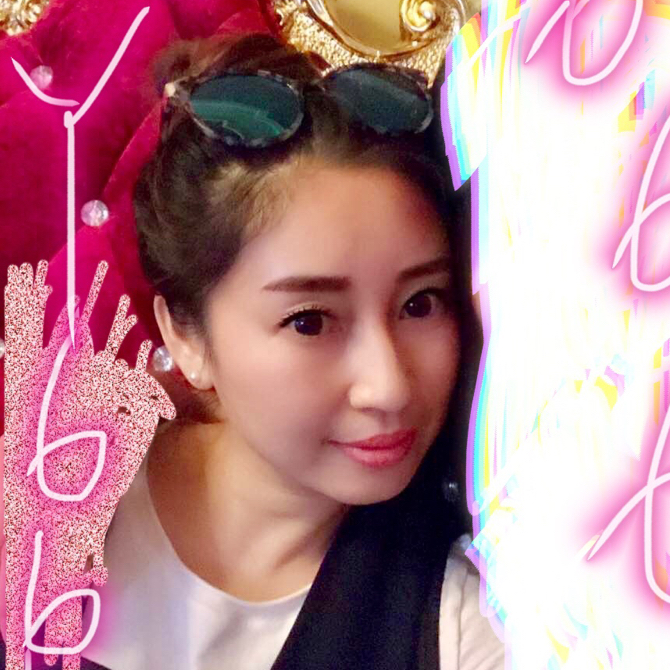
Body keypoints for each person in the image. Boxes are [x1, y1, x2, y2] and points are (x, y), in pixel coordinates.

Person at [2, 31, 503, 670]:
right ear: (186, 336)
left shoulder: (464, 626)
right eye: (309, 321)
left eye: (420, 304)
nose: (389, 386)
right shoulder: (38, 499)